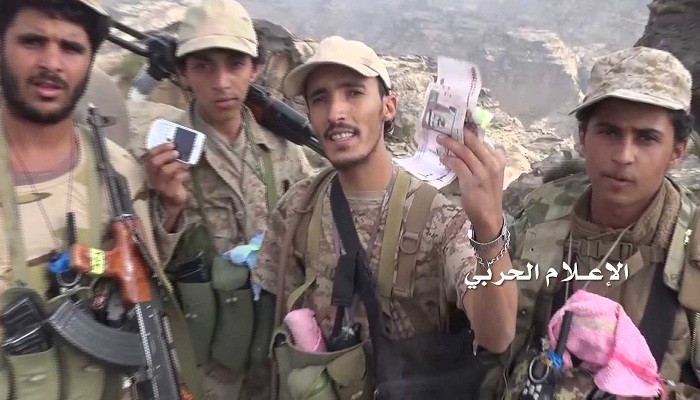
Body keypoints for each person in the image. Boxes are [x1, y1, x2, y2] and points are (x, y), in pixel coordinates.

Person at [252, 35, 518, 399]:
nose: (336, 112)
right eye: (320, 98)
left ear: (388, 107)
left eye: (353, 93)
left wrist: (488, 227)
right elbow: (272, 329)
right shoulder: (299, 207)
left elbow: (497, 335)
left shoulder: (440, 219)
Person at [0, 0, 202, 399]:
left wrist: (170, 209)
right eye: (33, 41)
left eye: (71, 47)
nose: (51, 63)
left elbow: (144, 278)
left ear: (90, 60)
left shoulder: (120, 172)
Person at [490, 46, 700, 399]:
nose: (624, 156)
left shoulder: (692, 248)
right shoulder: (544, 211)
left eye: (647, 138)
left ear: (677, 151)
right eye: (609, 132)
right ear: (583, 137)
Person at [137, 0, 316, 399]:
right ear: (184, 72)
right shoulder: (162, 155)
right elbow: (141, 273)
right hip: (203, 365)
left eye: (235, 64)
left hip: (271, 354)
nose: (221, 82)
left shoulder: (282, 150)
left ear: (255, 69)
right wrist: (169, 209)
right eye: (204, 66)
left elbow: (313, 233)